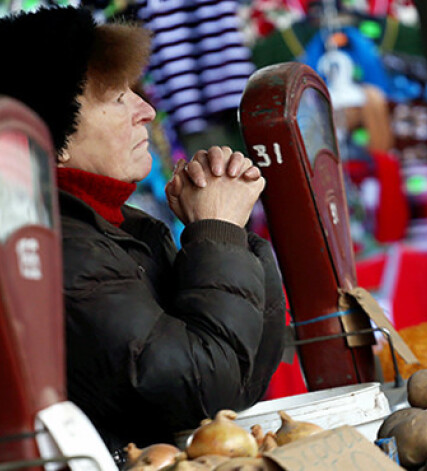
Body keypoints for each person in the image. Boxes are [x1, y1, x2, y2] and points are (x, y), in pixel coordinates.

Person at [0, 6, 286, 453]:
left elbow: (242, 380)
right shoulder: (64, 251)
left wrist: (226, 235)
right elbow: (201, 391)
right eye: (117, 98)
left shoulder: (120, 226)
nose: (147, 111)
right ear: (50, 139)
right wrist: (218, 230)